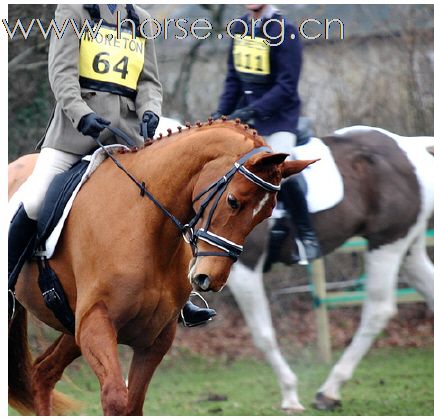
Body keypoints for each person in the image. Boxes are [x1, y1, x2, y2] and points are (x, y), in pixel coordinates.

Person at [8, 4, 215, 327]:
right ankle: (7, 283)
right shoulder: (72, 12)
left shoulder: (140, 20)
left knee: (165, 199)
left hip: (127, 137)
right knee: (34, 199)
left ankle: (183, 297)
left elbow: (148, 81)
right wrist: (81, 114)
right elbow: (61, 75)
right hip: (75, 134)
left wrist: (149, 110)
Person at [211, 4, 321, 263]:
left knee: (282, 166)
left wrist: (253, 110)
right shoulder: (239, 28)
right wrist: (221, 114)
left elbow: (286, 87)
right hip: (247, 118)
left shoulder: (286, 31)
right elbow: (233, 80)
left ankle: (307, 235)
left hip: (278, 120)